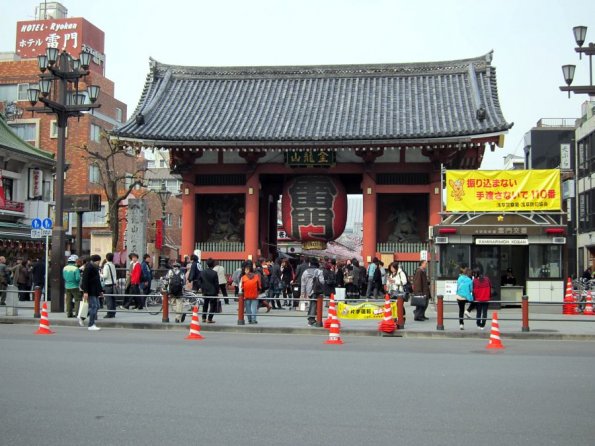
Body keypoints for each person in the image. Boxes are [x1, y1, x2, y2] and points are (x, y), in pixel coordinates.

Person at [81, 254, 103, 331]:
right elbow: (85, 280)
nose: (99, 263)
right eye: (99, 261)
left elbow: (97, 280)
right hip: (90, 290)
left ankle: (82, 317)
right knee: (94, 306)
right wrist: (85, 292)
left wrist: (100, 291)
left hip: (95, 290)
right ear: (96, 261)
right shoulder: (89, 267)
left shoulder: (94, 267)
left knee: (97, 306)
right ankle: (91, 324)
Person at [301, 257, 325, 326]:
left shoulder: (305, 272)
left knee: (312, 303)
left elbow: (303, 283)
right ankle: (311, 319)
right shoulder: (319, 271)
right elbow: (322, 281)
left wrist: (303, 292)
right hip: (315, 290)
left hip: (308, 291)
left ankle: (311, 318)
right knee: (314, 304)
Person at [200, 258, 220, 323]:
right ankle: (209, 319)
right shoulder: (214, 273)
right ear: (213, 264)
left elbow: (199, 281)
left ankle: (203, 317)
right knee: (212, 305)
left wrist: (202, 288)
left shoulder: (202, 272)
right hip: (213, 291)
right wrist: (217, 292)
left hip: (205, 291)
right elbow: (216, 284)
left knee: (205, 304)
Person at [101, 252, 118, 318]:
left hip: (108, 284)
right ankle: (113, 313)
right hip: (113, 284)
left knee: (109, 300)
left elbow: (105, 276)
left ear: (106, 258)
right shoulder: (113, 265)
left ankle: (109, 313)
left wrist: (100, 274)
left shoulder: (106, 266)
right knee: (113, 299)